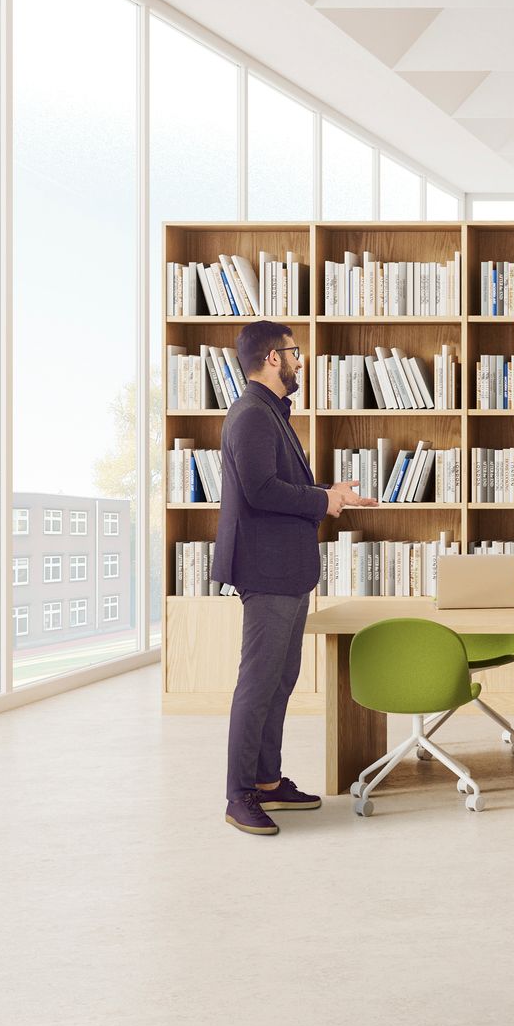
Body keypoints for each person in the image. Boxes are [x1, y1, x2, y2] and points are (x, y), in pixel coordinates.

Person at [215, 320, 378, 835]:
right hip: (265, 569)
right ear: (271, 358)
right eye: (293, 352)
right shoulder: (251, 416)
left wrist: (330, 493)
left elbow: (281, 486)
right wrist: (322, 500)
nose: (299, 360)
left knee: (280, 681)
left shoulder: (270, 413)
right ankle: (238, 795)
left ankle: (267, 781)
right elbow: (262, 490)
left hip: (286, 568)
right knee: (258, 683)